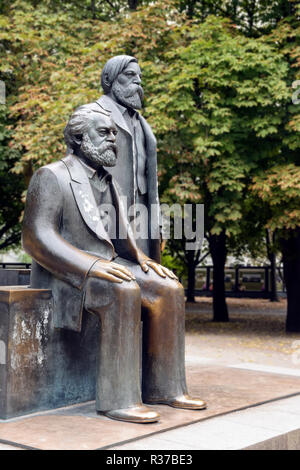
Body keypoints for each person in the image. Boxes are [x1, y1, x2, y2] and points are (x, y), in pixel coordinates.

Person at [22, 103, 206, 424]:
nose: (113, 140)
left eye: (113, 134)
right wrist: (89, 266)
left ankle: (165, 387)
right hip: (66, 274)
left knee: (169, 289)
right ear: (79, 138)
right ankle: (118, 399)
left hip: (106, 266)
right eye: (104, 133)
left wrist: (144, 261)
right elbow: (36, 238)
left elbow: (119, 238)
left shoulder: (110, 182)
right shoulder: (51, 176)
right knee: (123, 290)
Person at [95, 55, 161, 261]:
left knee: (146, 283)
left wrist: (157, 222)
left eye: (140, 76)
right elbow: (75, 172)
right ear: (109, 80)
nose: (138, 81)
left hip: (141, 218)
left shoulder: (142, 124)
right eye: (130, 75)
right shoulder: (93, 114)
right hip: (106, 216)